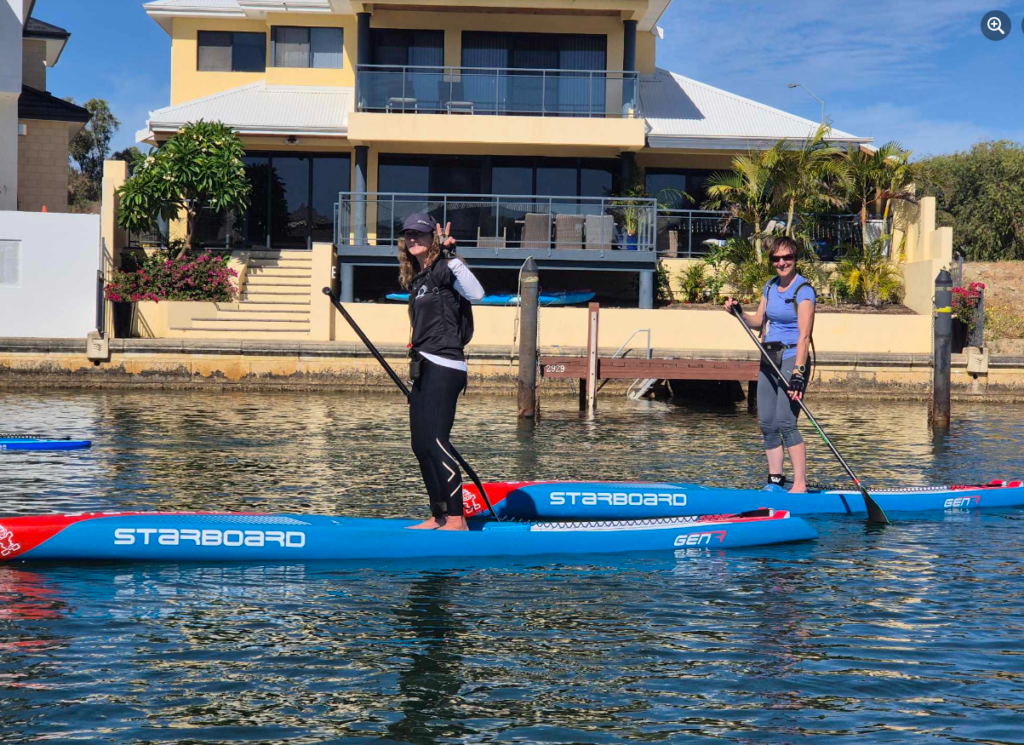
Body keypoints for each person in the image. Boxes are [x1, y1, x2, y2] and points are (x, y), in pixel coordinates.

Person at [398, 213, 485, 530]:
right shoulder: (419, 280)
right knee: (419, 444)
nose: (413, 239)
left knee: (436, 440)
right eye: (408, 235)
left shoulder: (444, 269)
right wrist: (414, 380)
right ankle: (439, 515)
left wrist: (451, 256)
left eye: (420, 234)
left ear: (432, 239)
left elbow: (477, 294)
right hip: (424, 368)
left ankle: (457, 518)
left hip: (446, 364)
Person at [724, 236, 816, 493]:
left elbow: (804, 336)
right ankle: (775, 481)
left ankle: (799, 485)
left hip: (791, 358)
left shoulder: (803, 291)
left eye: (787, 258)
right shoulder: (769, 286)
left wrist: (798, 373)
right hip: (768, 357)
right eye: (776, 258)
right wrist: (739, 312)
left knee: (786, 421)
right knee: (767, 422)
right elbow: (757, 321)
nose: (782, 263)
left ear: (795, 259)